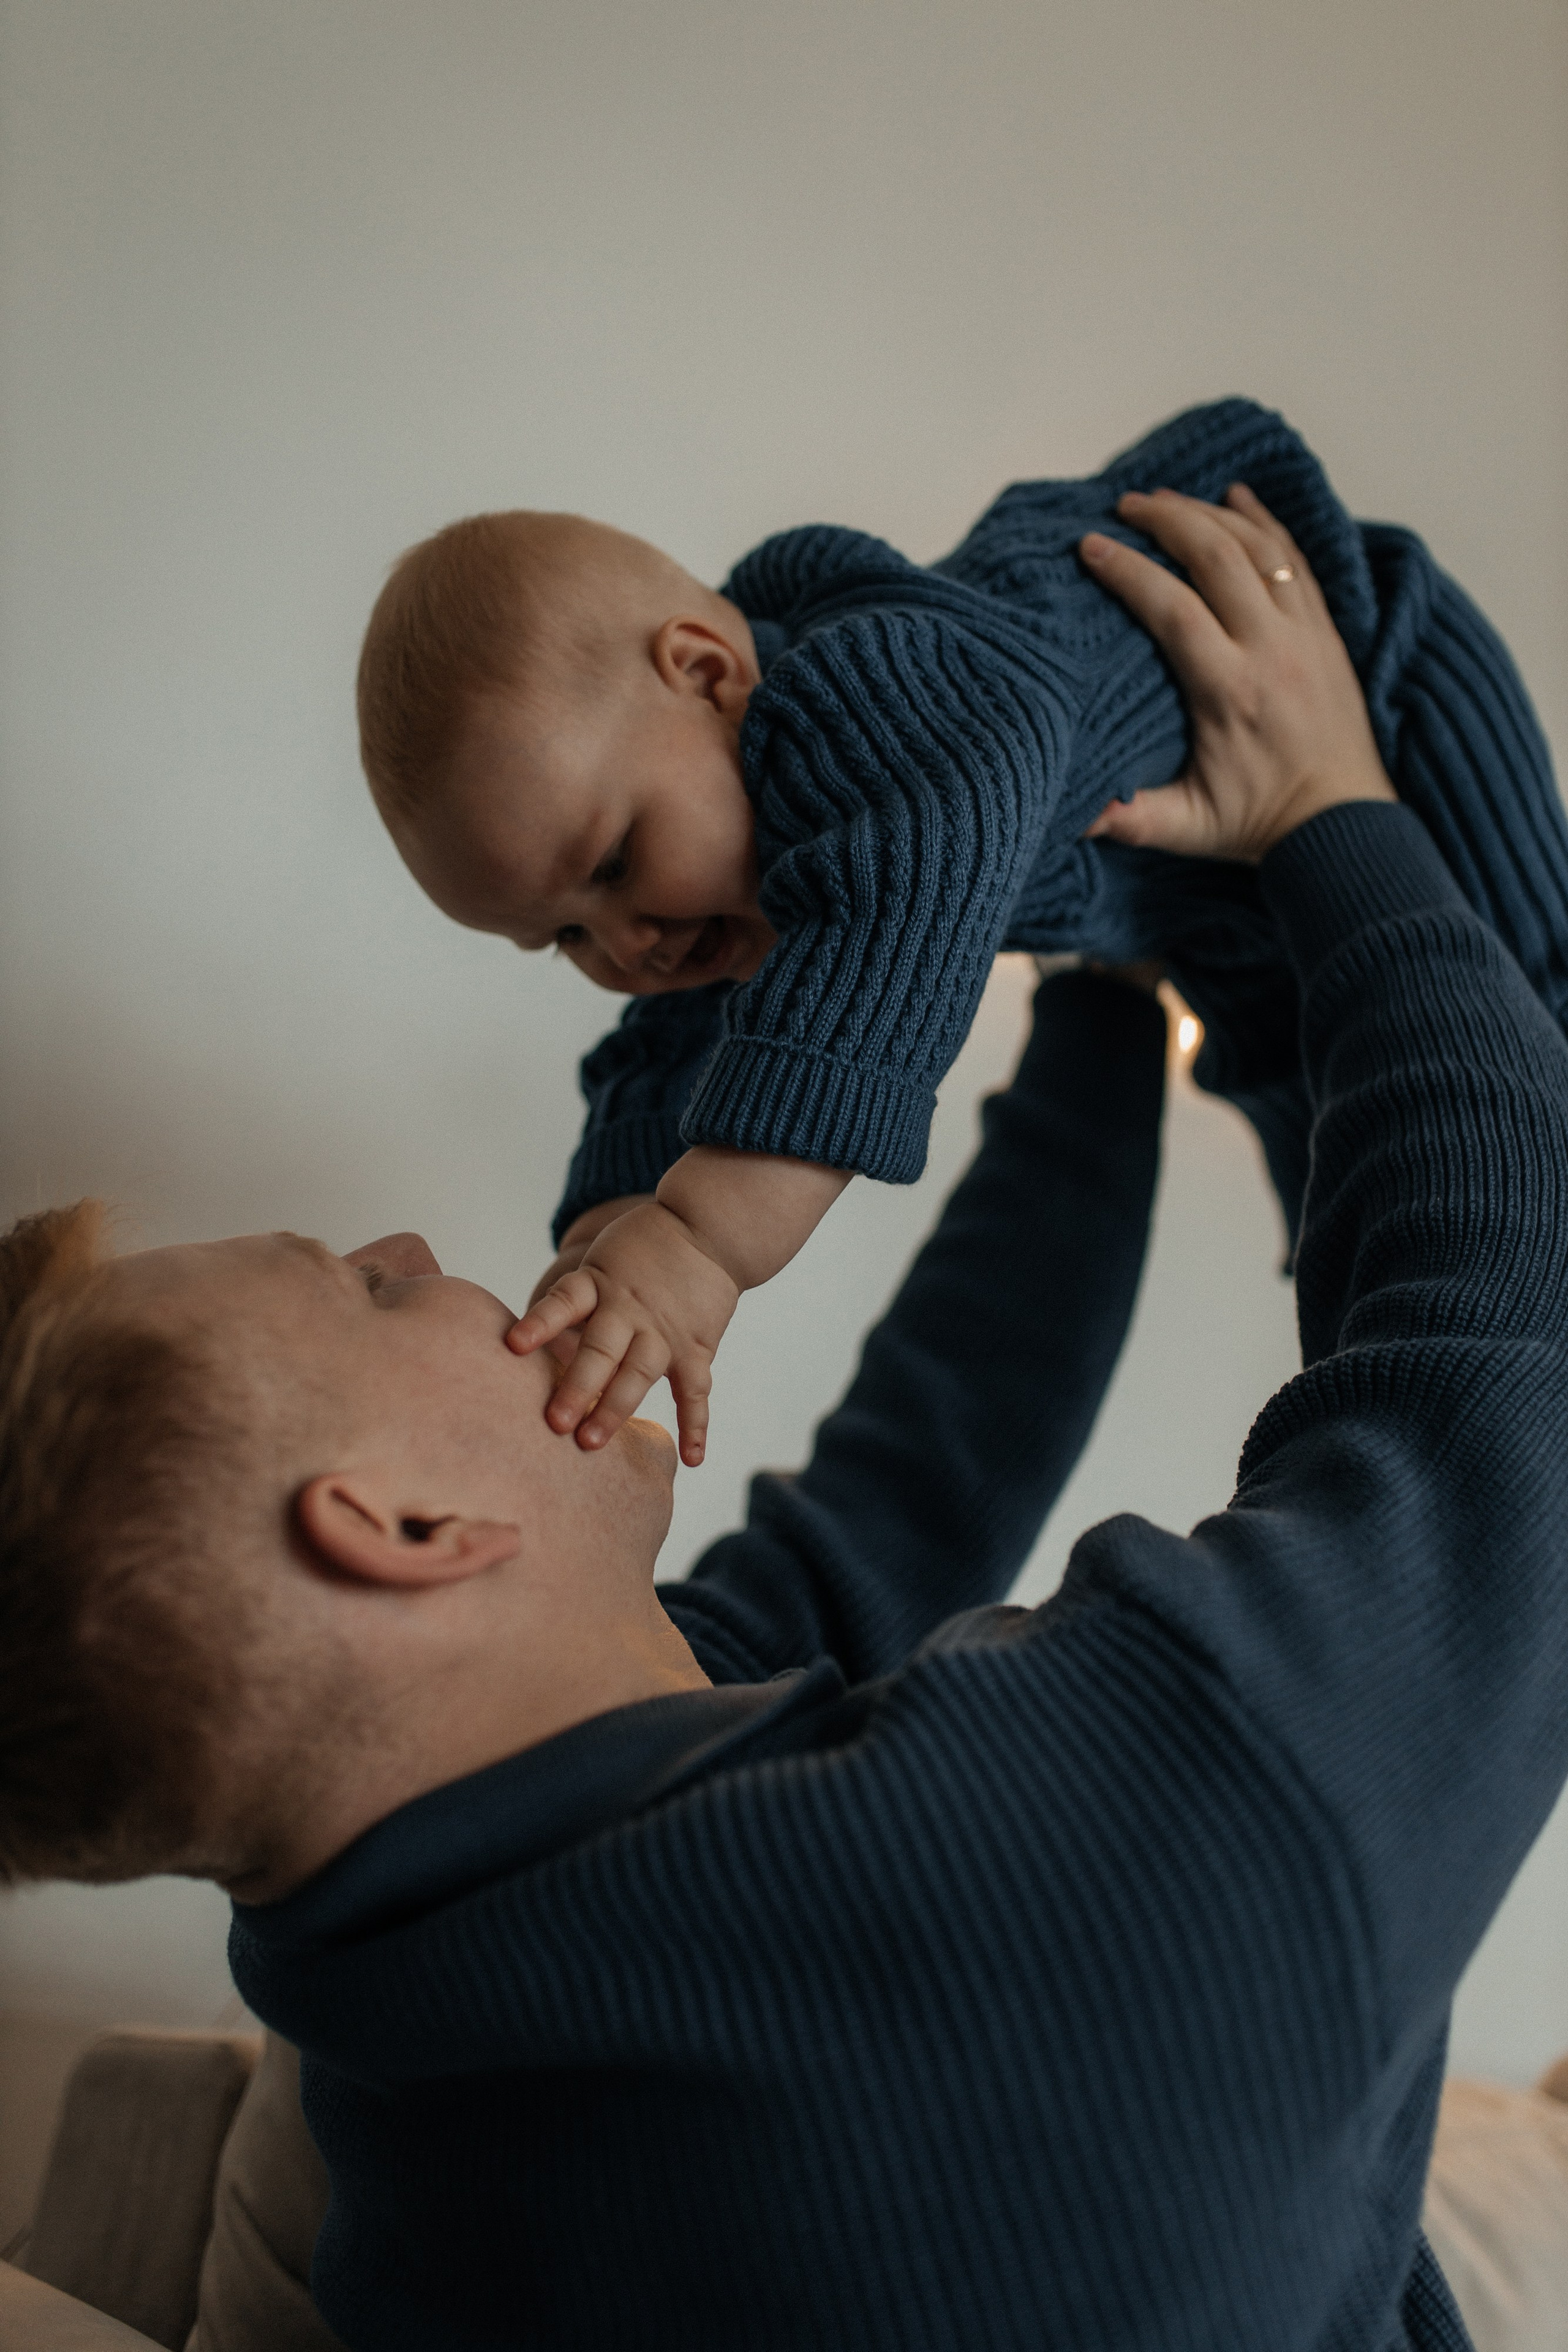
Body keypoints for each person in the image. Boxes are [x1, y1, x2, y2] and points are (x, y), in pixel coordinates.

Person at [4, 490, 1568, 2351]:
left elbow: (921, 1472)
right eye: (356, 1284)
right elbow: (1514, 1364)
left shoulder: (418, 1998)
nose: (416, 1243)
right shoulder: (1130, 1847)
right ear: (405, 1528)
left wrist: (1095, 988)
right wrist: (1335, 817)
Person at [356, 399, 1568, 1468]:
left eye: (612, 865)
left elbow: (906, 897)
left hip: (1371, 675)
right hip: (1211, 906)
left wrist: (699, 1242)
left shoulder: (882, 691)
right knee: (1361, 1198)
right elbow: (665, 1042)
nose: (625, 944)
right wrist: (603, 1239)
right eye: (561, 937)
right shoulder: (732, 874)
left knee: (1527, 1035)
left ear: (707, 669)